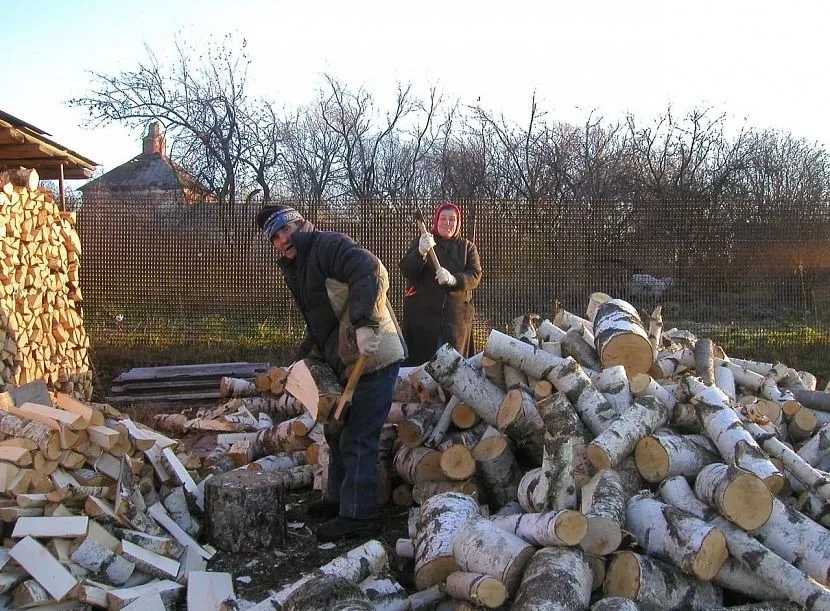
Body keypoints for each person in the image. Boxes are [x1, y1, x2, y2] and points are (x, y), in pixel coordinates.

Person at [255, 204, 406, 541]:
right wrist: (301, 357)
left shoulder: (326, 245)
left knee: (359, 435)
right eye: (276, 237)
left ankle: (359, 516)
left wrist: (365, 324)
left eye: (286, 229)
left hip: (374, 354)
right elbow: (321, 321)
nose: (283, 239)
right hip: (344, 359)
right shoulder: (296, 267)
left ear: (299, 223)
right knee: (336, 429)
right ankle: (338, 500)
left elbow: (372, 270)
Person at [399, 202, 483, 365]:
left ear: (458, 223)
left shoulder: (467, 248)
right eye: (443, 219)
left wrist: (454, 279)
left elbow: (475, 274)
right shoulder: (423, 241)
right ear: (436, 221)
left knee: (453, 371)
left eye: (452, 219)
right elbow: (407, 270)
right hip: (423, 323)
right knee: (422, 373)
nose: (447, 223)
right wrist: (420, 252)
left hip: (456, 322)